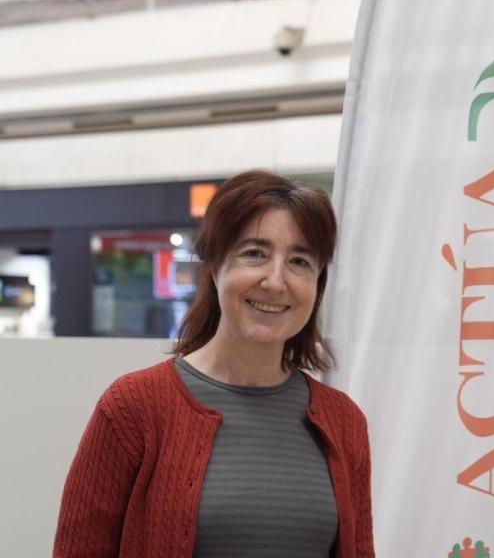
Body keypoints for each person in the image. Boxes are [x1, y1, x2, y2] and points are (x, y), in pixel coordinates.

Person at [54, 170, 374, 558]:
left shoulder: (344, 422)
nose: (276, 281)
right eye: (255, 253)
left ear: (317, 282)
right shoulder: (133, 408)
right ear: (215, 265)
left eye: (300, 261)